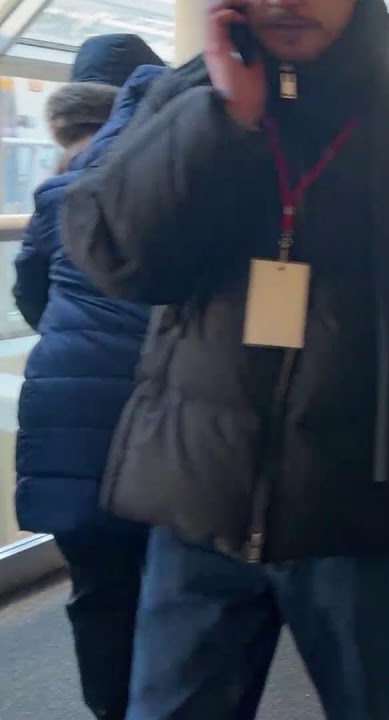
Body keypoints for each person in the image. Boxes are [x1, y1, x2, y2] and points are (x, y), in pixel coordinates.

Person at [60, 1, 389, 717]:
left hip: (370, 513)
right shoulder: (187, 99)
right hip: (200, 502)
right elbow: (112, 255)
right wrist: (222, 116)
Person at [11, 34, 164, 720]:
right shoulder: (180, 183)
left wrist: (77, 337)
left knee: (101, 592)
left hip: (66, 409)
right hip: (165, 413)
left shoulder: (55, 195)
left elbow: (33, 297)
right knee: (177, 589)